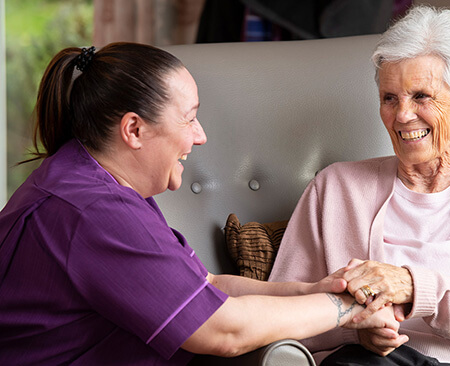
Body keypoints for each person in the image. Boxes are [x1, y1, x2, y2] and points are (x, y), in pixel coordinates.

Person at [0, 42, 401, 365]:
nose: (201, 136)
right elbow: (222, 330)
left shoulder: (96, 179)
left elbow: (207, 285)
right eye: (189, 118)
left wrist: (308, 291)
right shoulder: (94, 213)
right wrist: (344, 307)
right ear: (134, 129)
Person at [268, 5, 450, 366]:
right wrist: (356, 327)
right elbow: (286, 315)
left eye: (421, 96)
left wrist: (413, 286)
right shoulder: (334, 187)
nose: (402, 115)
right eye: (390, 98)